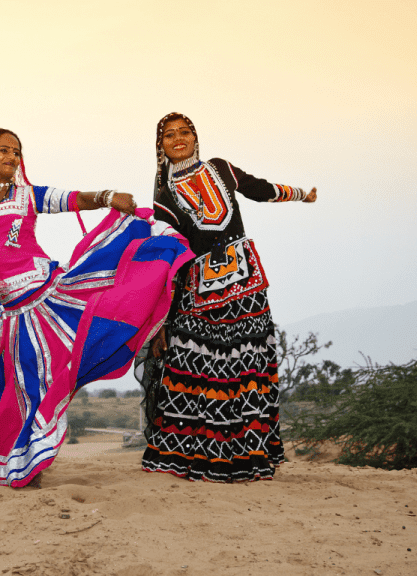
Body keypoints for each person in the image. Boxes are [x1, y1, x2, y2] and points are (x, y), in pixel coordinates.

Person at [0, 128, 193, 487]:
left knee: (39, 385)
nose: (12, 158)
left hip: (47, 300)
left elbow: (73, 199)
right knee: (7, 386)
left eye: (16, 152)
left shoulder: (28, 196)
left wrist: (107, 197)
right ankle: (14, 460)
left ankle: (30, 465)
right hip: (5, 311)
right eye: (3, 150)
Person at [138, 112, 318, 483]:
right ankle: (197, 456)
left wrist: (301, 194)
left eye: (184, 132)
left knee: (245, 365)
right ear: (160, 146)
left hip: (245, 284)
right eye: (169, 135)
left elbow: (259, 188)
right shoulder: (163, 197)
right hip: (197, 290)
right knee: (198, 368)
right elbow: (167, 258)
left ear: (195, 137)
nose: (178, 139)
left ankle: (247, 453)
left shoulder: (220, 168)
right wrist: (161, 321)